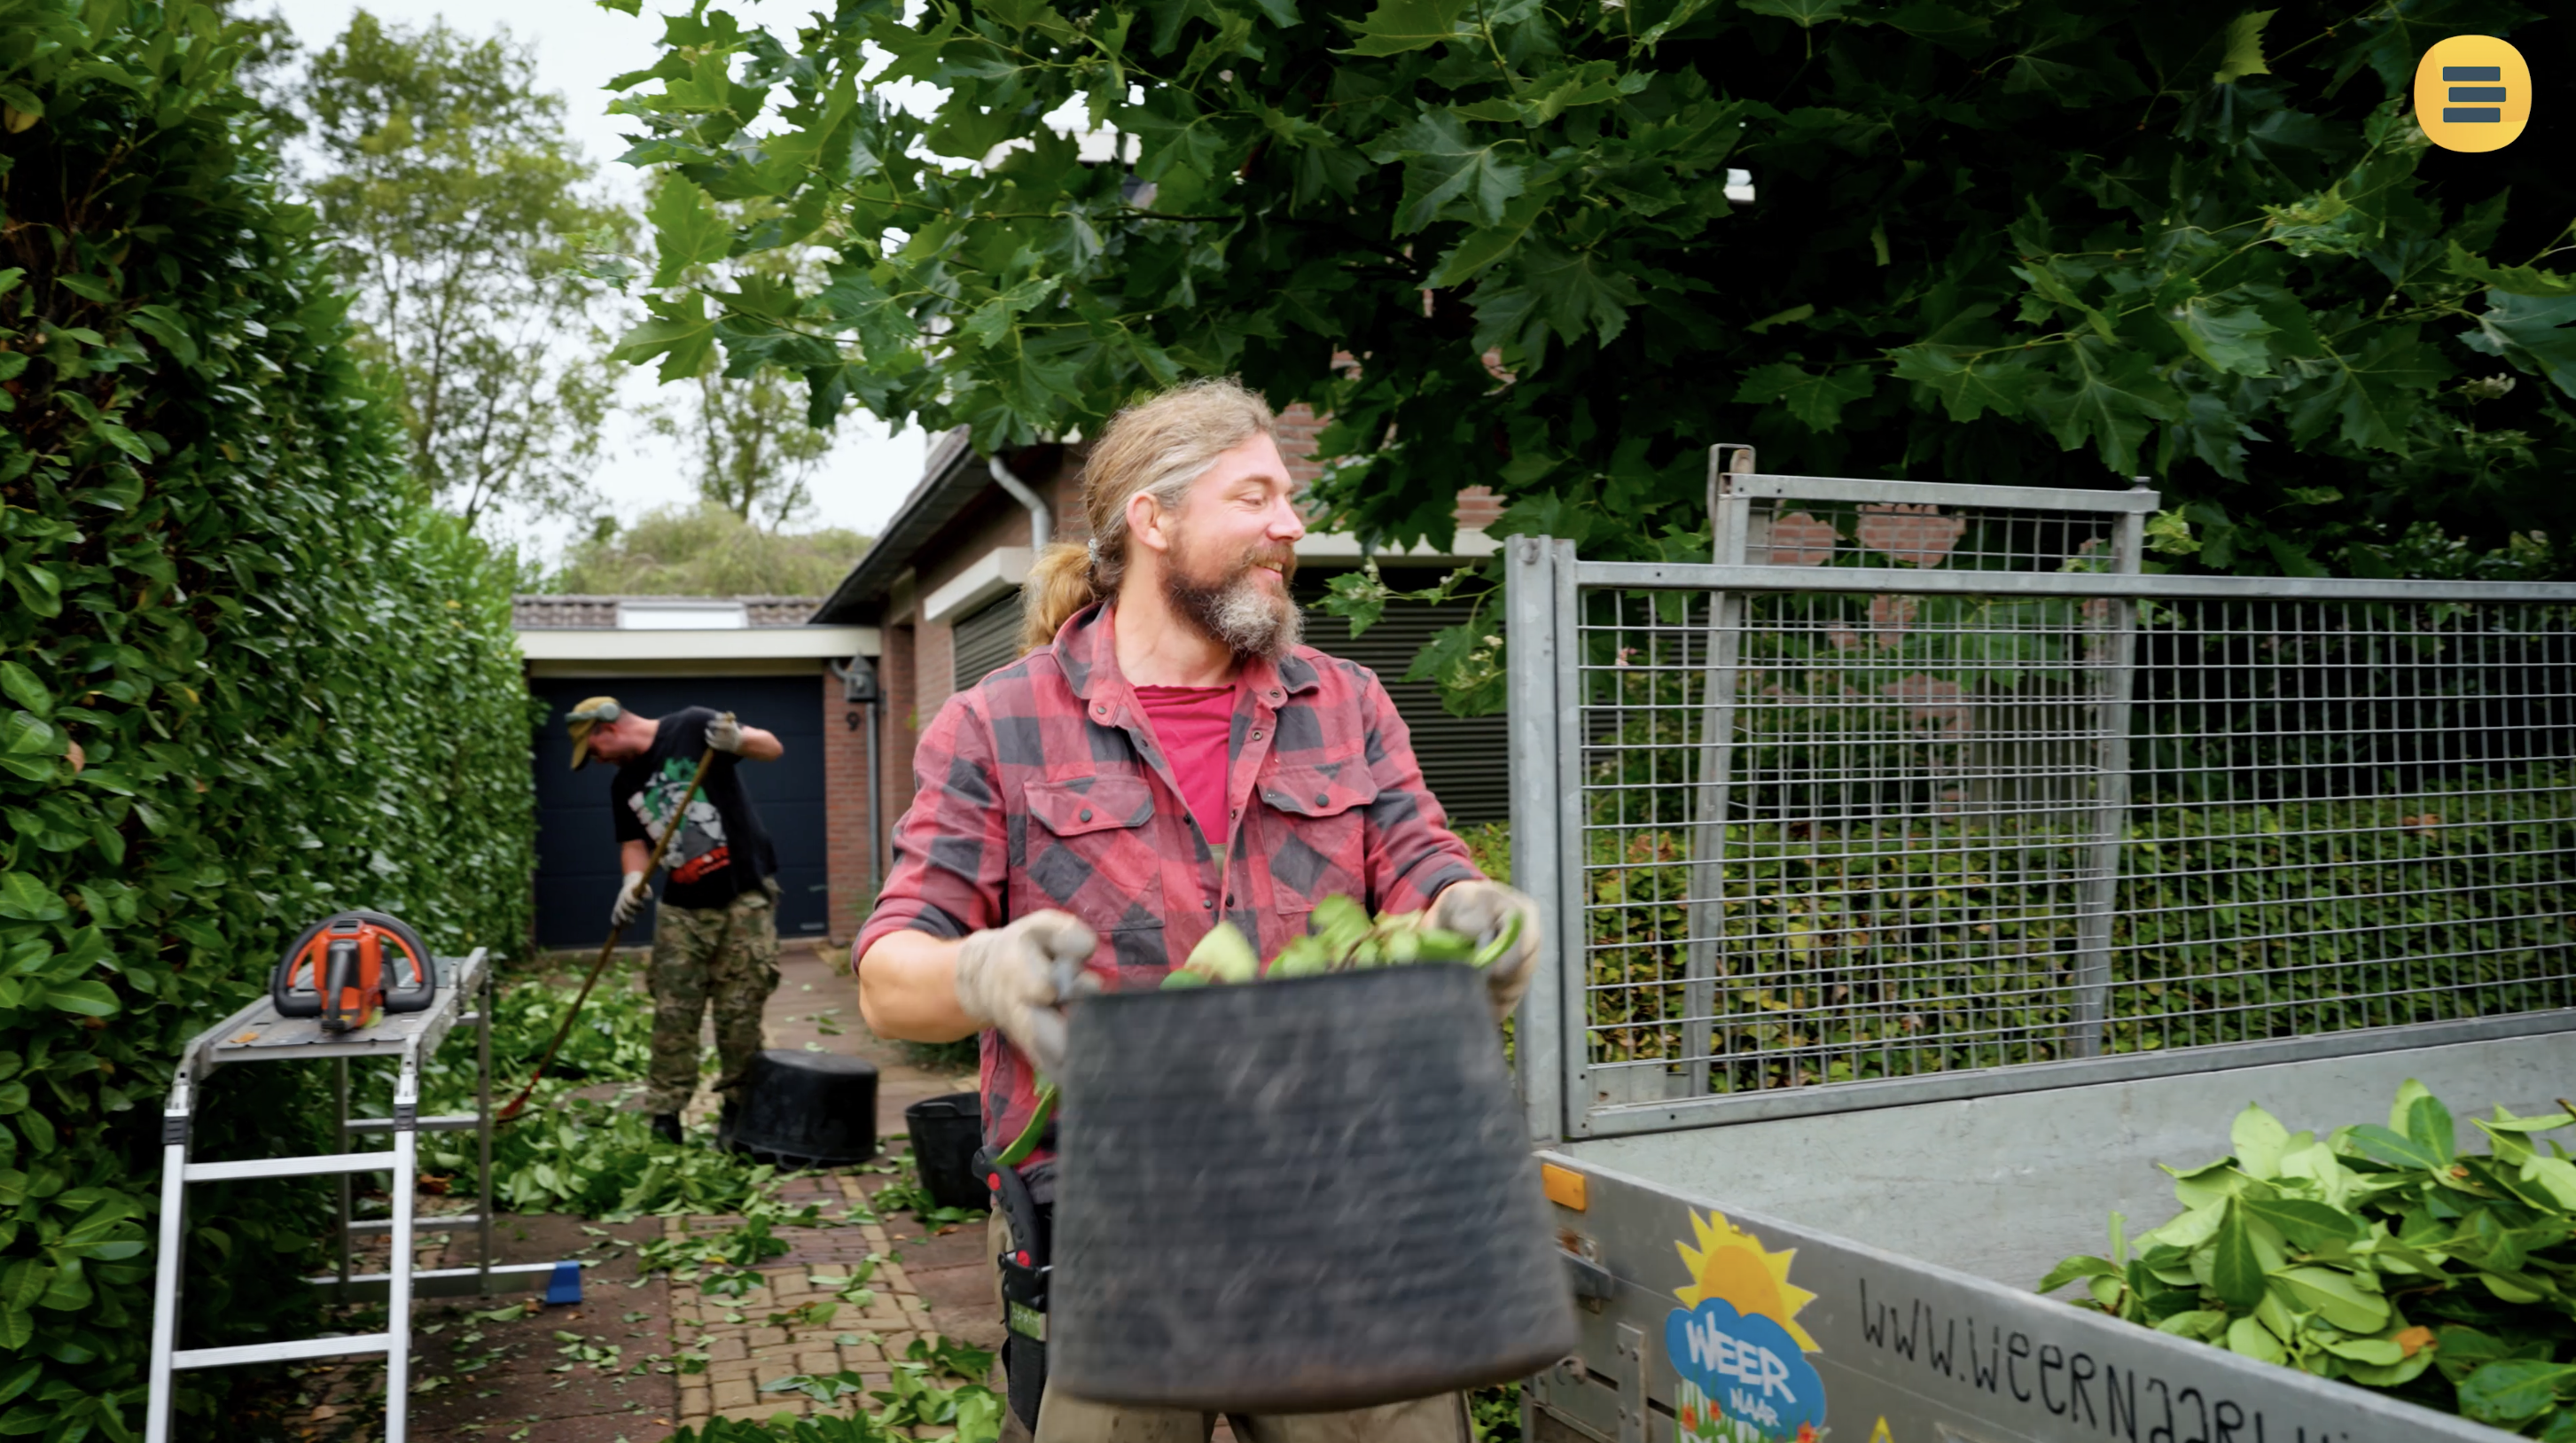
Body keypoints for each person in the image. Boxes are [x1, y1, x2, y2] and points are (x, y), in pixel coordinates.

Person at [851, 378, 1542, 1443]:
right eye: (1254, 496)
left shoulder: (1344, 701)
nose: (1290, 525)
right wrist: (980, 970)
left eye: (1289, 498)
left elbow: (1418, 862)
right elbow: (891, 976)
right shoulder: (995, 723)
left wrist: (1471, 914)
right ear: (1155, 518)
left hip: (1350, 1205)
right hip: (1112, 1223)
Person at [564, 698, 787, 1145]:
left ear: (605, 729)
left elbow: (772, 747)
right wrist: (631, 881)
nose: (597, 761)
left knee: (739, 1013)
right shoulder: (623, 783)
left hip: (744, 900)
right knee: (672, 1016)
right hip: (682, 911)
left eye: (593, 751)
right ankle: (666, 1117)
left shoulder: (691, 727)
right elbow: (632, 841)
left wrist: (738, 740)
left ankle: (738, 1114)